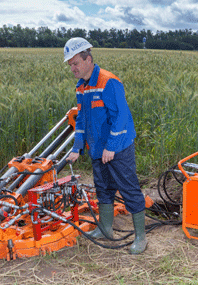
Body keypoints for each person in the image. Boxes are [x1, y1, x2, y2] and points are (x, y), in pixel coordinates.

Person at [63, 37, 147, 254]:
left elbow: (121, 117)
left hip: (118, 148)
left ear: (88, 59)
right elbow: (81, 120)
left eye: (75, 63)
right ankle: (106, 229)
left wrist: (112, 146)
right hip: (97, 149)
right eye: (70, 65)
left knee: (129, 190)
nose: (72, 68)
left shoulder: (109, 82)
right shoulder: (81, 88)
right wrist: (76, 148)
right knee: (103, 189)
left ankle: (141, 238)